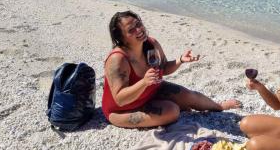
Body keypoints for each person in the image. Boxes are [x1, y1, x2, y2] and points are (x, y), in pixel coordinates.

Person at [102, 10, 241, 128]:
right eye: (131, 30)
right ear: (122, 38)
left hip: (149, 93)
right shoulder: (118, 59)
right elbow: (119, 98)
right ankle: (170, 106)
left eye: (138, 24)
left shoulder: (151, 44)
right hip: (122, 110)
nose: (139, 29)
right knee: (172, 111)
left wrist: (180, 60)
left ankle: (219, 106)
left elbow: (164, 68)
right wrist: (144, 82)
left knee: (189, 96)